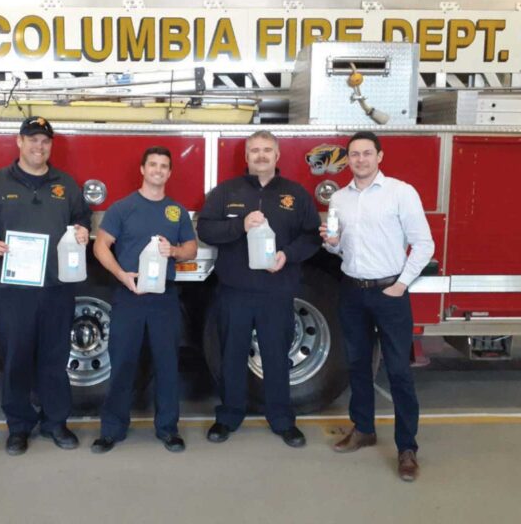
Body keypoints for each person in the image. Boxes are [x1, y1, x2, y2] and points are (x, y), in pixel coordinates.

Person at [0, 116, 91, 456]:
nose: (39, 146)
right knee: (17, 358)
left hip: (56, 287)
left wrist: (81, 230)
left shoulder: (65, 183)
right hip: (14, 290)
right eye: (32, 139)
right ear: (19, 142)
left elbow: (82, 217)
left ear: (50, 146)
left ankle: (55, 422)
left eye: (45, 141)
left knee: (55, 357)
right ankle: (18, 426)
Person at [320, 131, 434, 482]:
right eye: (354, 155)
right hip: (352, 291)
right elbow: (338, 250)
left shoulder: (401, 193)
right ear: (348, 160)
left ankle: (407, 448)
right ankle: (364, 429)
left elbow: (424, 244)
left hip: (390, 293)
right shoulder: (339, 199)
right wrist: (332, 243)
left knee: (399, 371)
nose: (360, 160)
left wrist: (401, 285)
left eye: (367, 153)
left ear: (379, 157)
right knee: (357, 365)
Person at [197, 130, 321, 447]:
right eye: (255, 150)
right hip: (234, 291)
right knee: (231, 357)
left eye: (267, 150)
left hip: (276, 291)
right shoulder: (226, 192)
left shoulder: (296, 195)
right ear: (246, 156)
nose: (261, 155)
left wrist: (287, 255)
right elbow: (206, 229)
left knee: (277, 356)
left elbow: (311, 236)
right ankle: (228, 417)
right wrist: (239, 225)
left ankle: (282, 420)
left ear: (278, 156)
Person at [91, 146, 197, 454]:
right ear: (142, 169)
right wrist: (122, 275)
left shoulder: (175, 210)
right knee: (123, 363)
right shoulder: (123, 208)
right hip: (130, 296)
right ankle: (111, 430)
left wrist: (174, 251)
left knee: (167, 364)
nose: (158, 170)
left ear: (170, 172)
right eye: (153, 165)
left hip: (164, 298)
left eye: (164, 166)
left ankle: (168, 429)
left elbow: (190, 247)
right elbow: (101, 246)